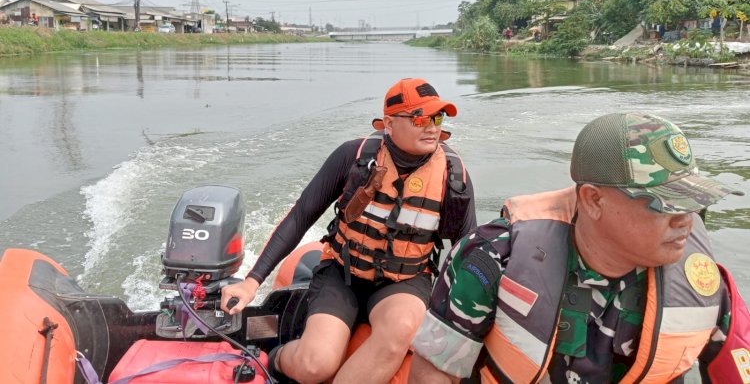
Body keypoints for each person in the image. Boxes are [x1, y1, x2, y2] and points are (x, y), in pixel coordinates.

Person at [409, 112, 749, 383]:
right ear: (594, 200)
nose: (685, 220)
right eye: (666, 205)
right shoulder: (493, 258)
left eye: (693, 204)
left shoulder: (704, 282)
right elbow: (435, 371)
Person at [221, 78, 477, 384]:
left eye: (438, 118)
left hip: (405, 281)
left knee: (400, 330)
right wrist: (252, 281)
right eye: (420, 118)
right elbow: (300, 216)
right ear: (390, 124)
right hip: (342, 273)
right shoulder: (353, 157)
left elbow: (466, 248)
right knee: (315, 366)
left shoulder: (454, 176)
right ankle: (275, 359)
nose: (432, 127)